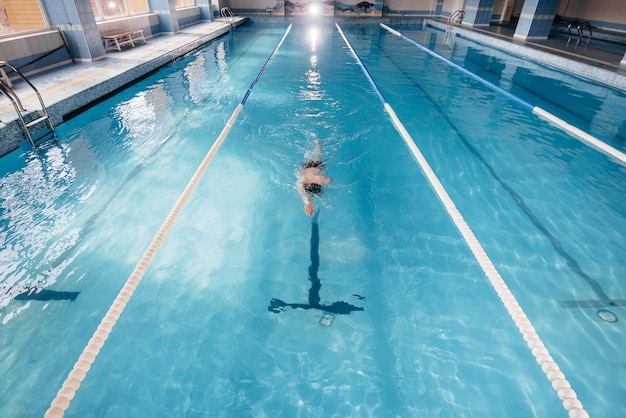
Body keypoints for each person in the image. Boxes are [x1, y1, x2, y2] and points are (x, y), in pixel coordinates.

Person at [297, 139, 331, 216]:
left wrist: (309, 202)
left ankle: (317, 143)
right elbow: (328, 180)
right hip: (316, 166)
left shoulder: (303, 181)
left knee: (316, 153)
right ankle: (317, 143)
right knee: (317, 152)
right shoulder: (315, 179)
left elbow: (301, 184)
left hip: (310, 168)